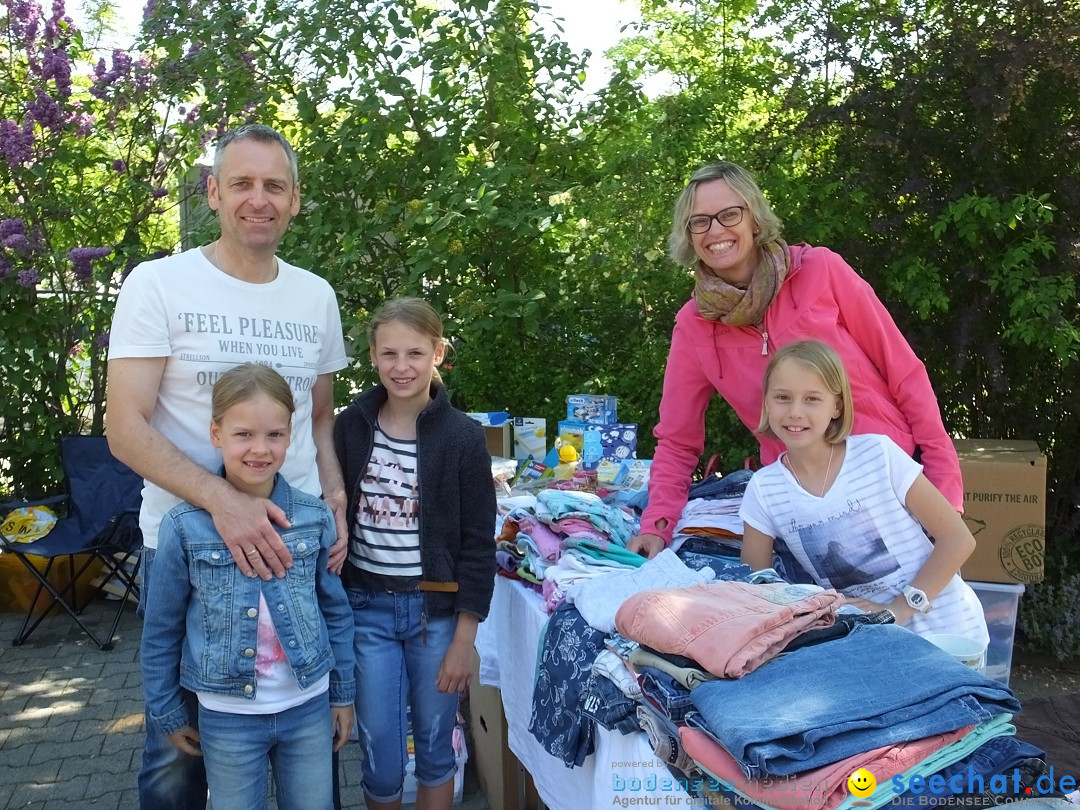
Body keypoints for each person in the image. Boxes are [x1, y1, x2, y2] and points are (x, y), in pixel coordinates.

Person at [106, 124, 348, 809]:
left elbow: (321, 415)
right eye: (241, 183)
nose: (258, 199)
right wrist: (225, 503)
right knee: (176, 753)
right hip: (191, 550)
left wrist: (334, 494)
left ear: (295, 200)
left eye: (274, 185)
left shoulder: (315, 296)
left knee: (311, 743)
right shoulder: (158, 284)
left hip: (293, 548)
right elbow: (123, 428)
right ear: (214, 192)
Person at [628, 161, 962, 559]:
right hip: (805, 507)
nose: (716, 230)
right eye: (699, 222)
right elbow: (678, 440)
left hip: (892, 484)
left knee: (924, 612)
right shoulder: (694, 325)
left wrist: (944, 485)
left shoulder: (821, 270)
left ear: (754, 218)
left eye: (729, 214)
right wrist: (658, 525)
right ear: (689, 235)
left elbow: (904, 372)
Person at [140, 364, 355, 810]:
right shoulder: (184, 527)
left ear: (290, 436)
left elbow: (335, 611)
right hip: (227, 718)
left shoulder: (313, 518)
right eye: (244, 435)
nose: (260, 449)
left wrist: (342, 694)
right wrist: (165, 708)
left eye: (275, 435)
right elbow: (161, 629)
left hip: (308, 709)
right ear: (216, 434)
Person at [333, 298, 496, 810]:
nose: (401, 367)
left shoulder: (464, 438)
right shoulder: (351, 428)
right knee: (380, 750)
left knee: (434, 745)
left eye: (414, 353)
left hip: (437, 617)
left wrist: (464, 639)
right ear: (373, 357)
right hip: (367, 611)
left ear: (438, 354)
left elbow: (478, 545)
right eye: (389, 354)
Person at [738, 340, 987, 643]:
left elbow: (958, 540)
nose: (795, 412)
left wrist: (897, 610)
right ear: (766, 403)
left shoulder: (878, 454)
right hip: (867, 644)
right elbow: (757, 585)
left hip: (950, 633)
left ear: (837, 406)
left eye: (812, 399)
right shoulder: (764, 489)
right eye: (782, 397)